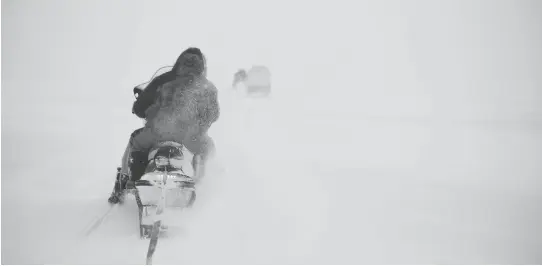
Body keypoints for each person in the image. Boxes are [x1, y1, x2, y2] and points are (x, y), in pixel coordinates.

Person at [108, 47, 219, 204]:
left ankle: (130, 181)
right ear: (202, 66)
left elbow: (140, 107)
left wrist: (142, 109)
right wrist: (199, 126)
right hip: (191, 138)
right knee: (208, 149)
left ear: (179, 62)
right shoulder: (207, 87)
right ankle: (200, 185)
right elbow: (213, 115)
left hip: (158, 133)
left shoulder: (163, 80)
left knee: (136, 142)